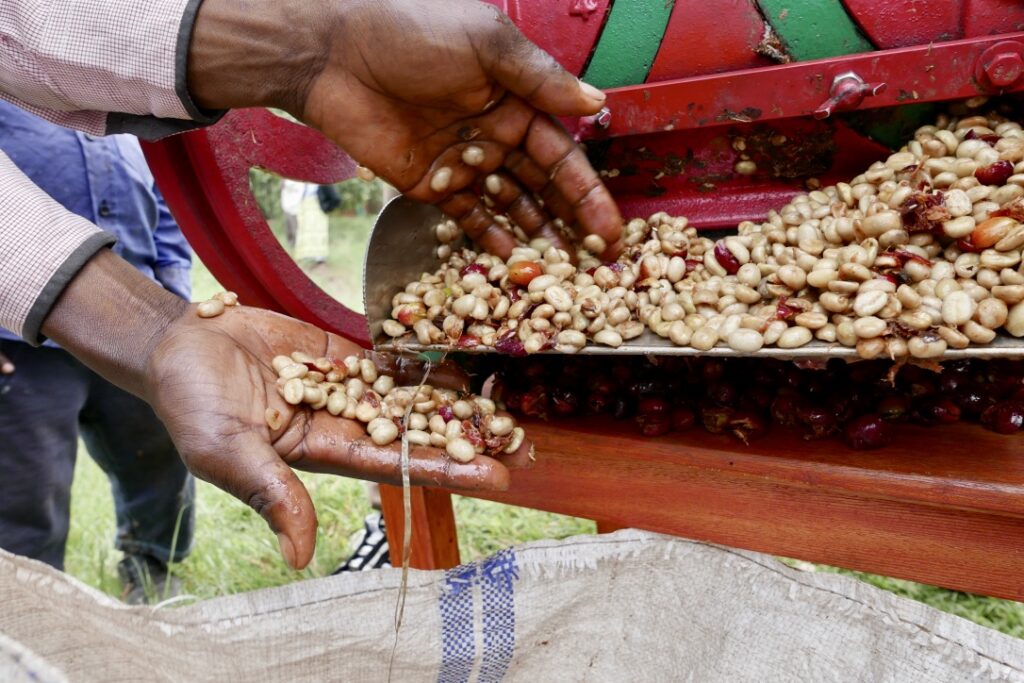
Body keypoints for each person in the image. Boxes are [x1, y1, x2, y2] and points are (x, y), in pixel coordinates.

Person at [0, 0, 622, 571]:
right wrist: (147, 331)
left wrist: (319, 47)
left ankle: (150, 562)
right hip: (28, 357)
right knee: (32, 493)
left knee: (145, 472)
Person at [0, 102, 195, 602]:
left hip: (139, 325)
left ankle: (151, 560)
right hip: (19, 344)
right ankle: (33, 603)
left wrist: (173, 298)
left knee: (158, 450)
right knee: (26, 485)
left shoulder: (117, 107)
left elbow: (167, 211)